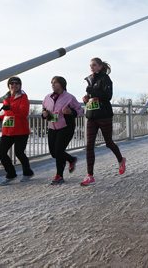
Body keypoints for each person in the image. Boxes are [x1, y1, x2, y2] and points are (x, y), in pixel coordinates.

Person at [81, 58, 126, 186]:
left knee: (108, 142)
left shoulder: (105, 79)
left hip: (104, 115)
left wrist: (92, 92)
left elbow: (107, 96)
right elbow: (91, 97)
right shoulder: (90, 79)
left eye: (94, 65)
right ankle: (90, 175)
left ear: (100, 66)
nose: (92, 67)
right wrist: (86, 99)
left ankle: (121, 160)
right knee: (89, 146)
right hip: (91, 115)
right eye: (90, 65)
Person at [42, 76, 84, 185]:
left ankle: (59, 176)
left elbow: (80, 110)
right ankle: (71, 159)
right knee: (54, 153)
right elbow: (44, 110)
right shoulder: (47, 97)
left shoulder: (69, 97)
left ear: (62, 84)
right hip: (52, 127)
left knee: (59, 151)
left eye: (55, 83)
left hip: (66, 127)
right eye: (52, 83)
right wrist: (44, 114)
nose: (53, 85)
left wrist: (71, 112)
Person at [0, 76, 34, 186]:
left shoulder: (23, 97)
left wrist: (10, 108)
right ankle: (11, 174)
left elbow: (23, 113)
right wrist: (0, 118)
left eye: (17, 83)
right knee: (1, 152)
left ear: (20, 86)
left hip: (21, 130)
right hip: (8, 130)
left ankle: (28, 172)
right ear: (8, 86)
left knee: (19, 153)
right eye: (12, 83)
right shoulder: (6, 98)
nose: (14, 85)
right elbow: (8, 114)